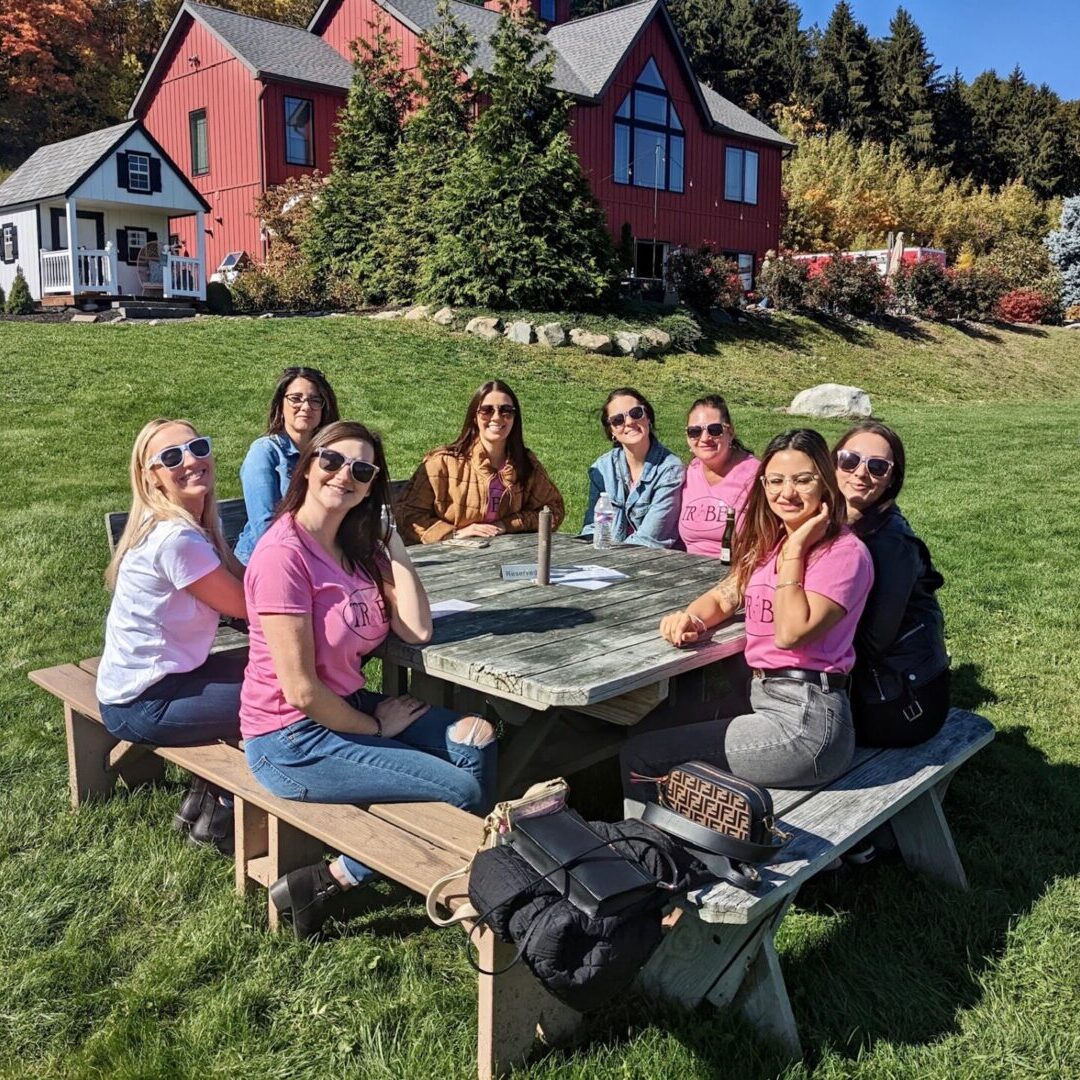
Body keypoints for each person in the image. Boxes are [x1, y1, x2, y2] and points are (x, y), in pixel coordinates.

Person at [241, 421, 497, 939]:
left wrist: (392, 540)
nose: (344, 476)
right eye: (331, 461)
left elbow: (418, 628)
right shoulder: (282, 556)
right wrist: (374, 728)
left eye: (361, 470)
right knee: (462, 788)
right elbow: (301, 691)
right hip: (289, 739)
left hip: (346, 707)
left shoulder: (354, 548)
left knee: (478, 737)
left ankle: (453, 869)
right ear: (308, 465)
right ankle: (330, 880)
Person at [622, 429, 874, 807]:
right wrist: (693, 618)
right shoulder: (769, 543)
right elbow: (727, 594)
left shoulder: (843, 554)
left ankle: (649, 855)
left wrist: (796, 549)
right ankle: (686, 840)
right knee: (651, 725)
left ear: (825, 483)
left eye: (802, 480)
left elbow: (790, 634)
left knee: (643, 756)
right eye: (775, 480)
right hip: (765, 702)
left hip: (807, 723)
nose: (786, 493)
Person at [96, 418, 247, 853]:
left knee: (270, 671)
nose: (191, 460)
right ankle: (222, 809)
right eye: (171, 457)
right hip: (145, 703)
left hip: (156, 682)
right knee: (285, 695)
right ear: (152, 477)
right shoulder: (176, 539)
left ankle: (201, 800)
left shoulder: (192, 527)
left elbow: (245, 583)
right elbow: (246, 606)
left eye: (198, 446)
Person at [834, 421, 950, 747]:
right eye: (849, 460)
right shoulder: (834, 520)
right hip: (870, 683)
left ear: (890, 480)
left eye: (877, 466)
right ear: (832, 462)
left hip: (897, 702)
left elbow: (873, 641)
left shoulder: (891, 543)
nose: (860, 472)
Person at [397, 380, 564, 544]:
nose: (497, 417)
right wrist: (455, 533)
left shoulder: (526, 464)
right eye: (487, 410)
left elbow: (553, 510)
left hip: (509, 557)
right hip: (448, 562)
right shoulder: (442, 463)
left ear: (515, 418)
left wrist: (508, 524)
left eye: (506, 411)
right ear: (474, 417)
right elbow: (407, 517)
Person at [234, 366, 340, 563]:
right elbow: (265, 526)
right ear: (281, 404)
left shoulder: (331, 456)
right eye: (296, 398)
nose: (306, 406)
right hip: (266, 561)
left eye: (315, 400)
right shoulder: (265, 452)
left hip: (320, 557)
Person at [581, 388, 684, 548]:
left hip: (654, 564)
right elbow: (591, 528)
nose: (629, 422)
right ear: (612, 431)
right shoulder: (602, 468)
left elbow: (650, 540)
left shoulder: (670, 471)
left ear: (648, 417)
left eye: (636, 413)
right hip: (607, 560)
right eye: (618, 420)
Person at [678, 394, 759, 557]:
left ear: (730, 432)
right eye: (695, 431)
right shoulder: (688, 473)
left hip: (738, 570)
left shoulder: (755, 474)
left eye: (714, 430)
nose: (705, 438)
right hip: (686, 572)